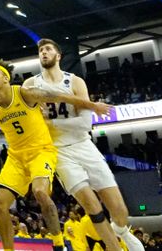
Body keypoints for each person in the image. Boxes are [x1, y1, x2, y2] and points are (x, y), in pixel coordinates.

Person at [0, 58, 111, 251]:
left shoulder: (24, 93)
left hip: (41, 152)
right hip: (16, 157)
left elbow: (59, 96)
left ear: (6, 78)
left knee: (39, 191)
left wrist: (92, 105)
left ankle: (58, 244)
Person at [31, 38, 145, 251]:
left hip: (84, 145)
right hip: (59, 152)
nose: (43, 53)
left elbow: (84, 123)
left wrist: (49, 122)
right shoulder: (31, 85)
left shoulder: (74, 82)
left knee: (119, 210)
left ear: (58, 56)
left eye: (48, 49)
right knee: (90, 203)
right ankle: (115, 248)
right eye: (40, 50)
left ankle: (120, 230)